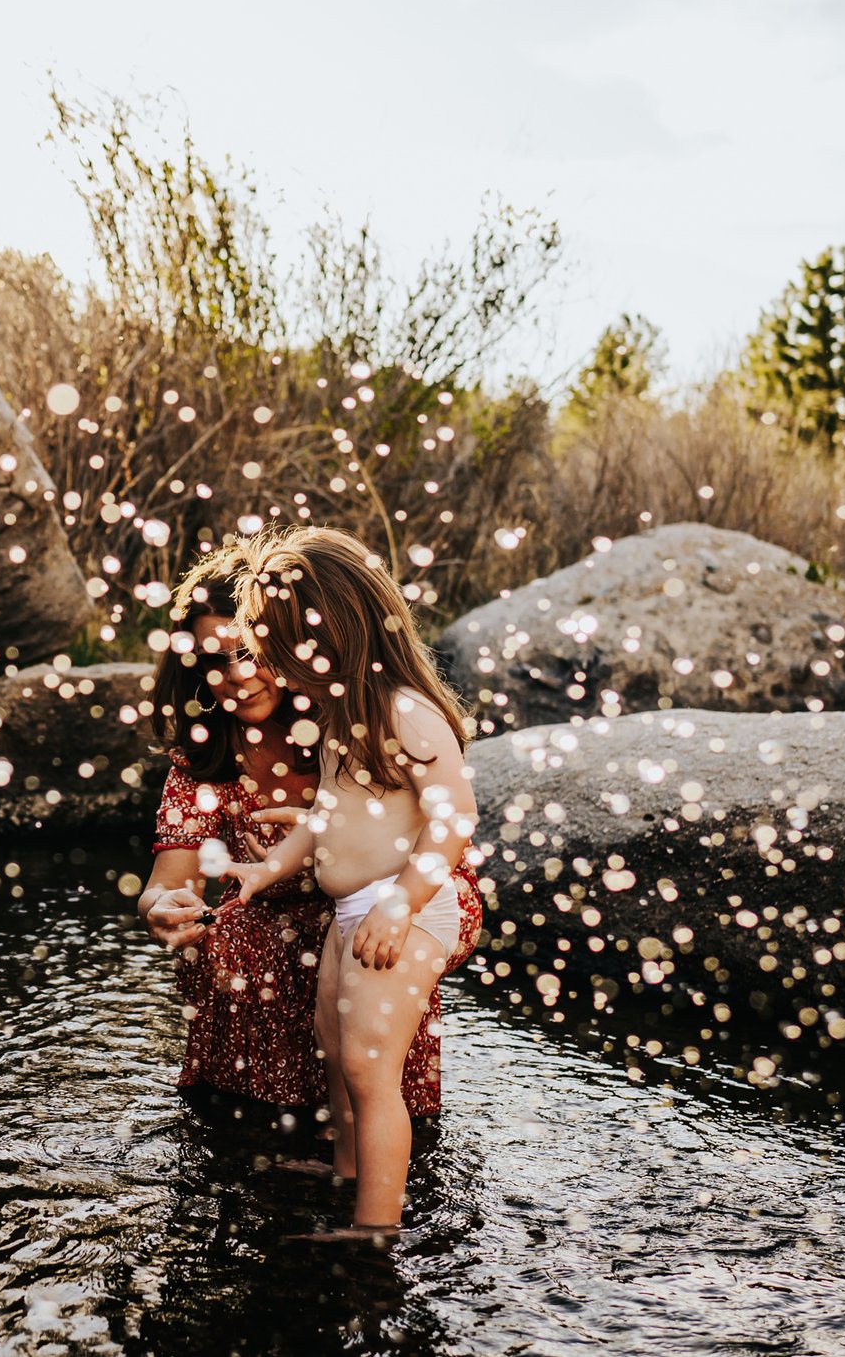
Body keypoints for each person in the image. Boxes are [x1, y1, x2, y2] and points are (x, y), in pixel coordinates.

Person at [134, 548, 482, 1125]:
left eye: (249, 653)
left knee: (355, 942)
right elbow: (167, 885)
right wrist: (163, 909)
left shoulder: (352, 721)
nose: (236, 677)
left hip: (385, 907)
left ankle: (377, 1141)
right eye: (213, 660)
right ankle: (266, 1128)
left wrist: (342, 845)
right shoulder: (201, 761)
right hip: (267, 931)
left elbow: (445, 841)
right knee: (233, 943)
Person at [219, 527, 479, 1245]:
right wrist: (273, 865)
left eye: (280, 651)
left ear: (331, 633)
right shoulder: (342, 717)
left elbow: (454, 818)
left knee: (370, 1065)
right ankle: (345, 1169)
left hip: (404, 906)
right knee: (335, 1045)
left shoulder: (404, 711)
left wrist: (401, 902)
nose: (272, 670)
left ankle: (376, 1228)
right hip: (352, 908)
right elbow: (327, 814)